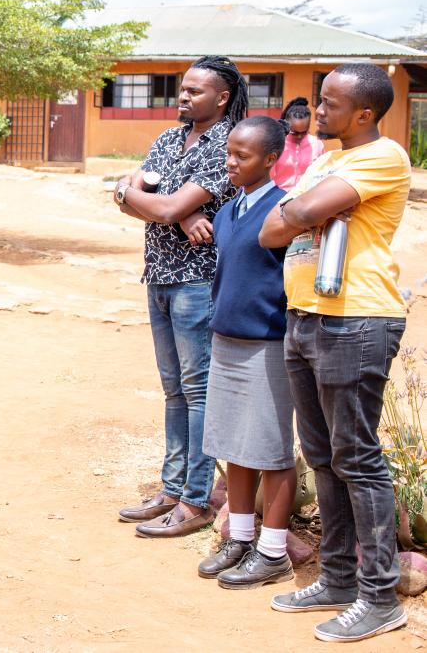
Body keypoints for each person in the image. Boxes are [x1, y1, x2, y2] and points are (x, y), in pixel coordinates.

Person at [259, 63, 410, 643]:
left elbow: (293, 215)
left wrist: (303, 212)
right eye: (319, 101)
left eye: (328, 103)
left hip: (356, 318)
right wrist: (309, 210)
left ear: (365, 114)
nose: (315, 111)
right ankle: (339, 577)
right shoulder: (325, 161)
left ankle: (380, 597)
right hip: (306, 314)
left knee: (357, 458)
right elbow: (274, 229)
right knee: (321, 455)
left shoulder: (383, 156)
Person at [113, 56, 247, 538]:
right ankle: (171, 489)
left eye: (194, 91)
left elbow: (153, 198)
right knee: (173, 389)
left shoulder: (228, 144)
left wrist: (159, 205)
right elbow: (138, 191)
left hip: (198, 280)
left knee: (197, 391)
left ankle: (195, 500)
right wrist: (167, 210)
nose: (183, 97)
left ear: (222, 98)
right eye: (182, 89)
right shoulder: (169, 138)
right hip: (160, 275)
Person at [187, 116, 297, 588]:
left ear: (271, 159)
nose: (230, 162)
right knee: (236, 444)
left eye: (242, 155)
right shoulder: (230, 210)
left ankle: (273, 551)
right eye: (229, 153)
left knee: (271, 449)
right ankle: (242, 535)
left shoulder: (284, 210)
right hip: (228, 341)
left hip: (267, 345)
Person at [271, 97, 325, 190]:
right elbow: (268, 177)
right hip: (279, 197)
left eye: (304, 132)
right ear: (287, 125)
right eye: (295, 132)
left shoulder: (317, 144)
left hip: (306, 197)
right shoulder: (277, 144)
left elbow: (321, 173)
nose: (299, 136)